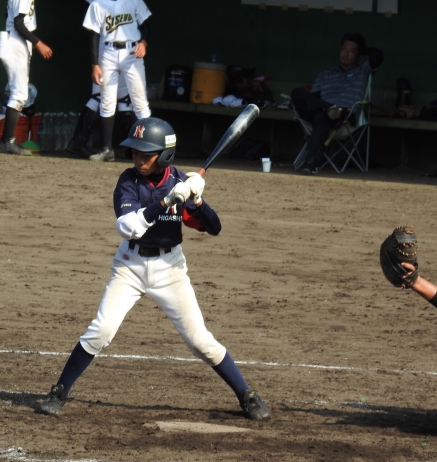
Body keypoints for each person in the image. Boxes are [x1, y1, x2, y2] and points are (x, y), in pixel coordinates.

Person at [37, 117, 271, 421]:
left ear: (165, 155)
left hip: (170, 269)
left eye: (145, 154)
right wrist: (164, 202)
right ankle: (59, 391)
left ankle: (246, 395)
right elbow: (128, 227)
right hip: (129, 266)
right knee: (101, 331)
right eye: (135, 152)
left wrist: (198, 201)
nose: (138, 159)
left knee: (201, 342)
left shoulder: (180, 182)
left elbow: (213, 228)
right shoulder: (128, 181)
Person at [290, 33, 383, 174]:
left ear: (359, 56)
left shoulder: (363, 71)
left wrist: (364, 51)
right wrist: (324, 107)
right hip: (322, 109)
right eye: (344, 49)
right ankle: (329, 108)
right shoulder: (326, 73)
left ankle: (310, 162)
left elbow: (378, 55)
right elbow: (313, 98)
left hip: (345, 114)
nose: (346, 53)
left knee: (321, 118)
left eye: (351, 51)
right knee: (297, 93)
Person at [83, 0, 153, 162]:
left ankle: (149, 147)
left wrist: (144, 42)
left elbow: (145, 27)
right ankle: (107, 149)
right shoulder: (97, 4)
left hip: (132, 52)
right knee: (107, 102)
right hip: (108, 52)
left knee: (140, 102)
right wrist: (94, 64)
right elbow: (94, 35)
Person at [0, 0, 53, 156]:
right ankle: (7, 142)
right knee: (19, 94)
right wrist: (38, 43)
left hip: (17, 41)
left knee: (19, 93)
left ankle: (7, 140)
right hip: (15, 43)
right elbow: (18, 23)